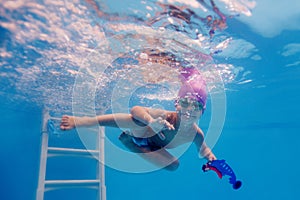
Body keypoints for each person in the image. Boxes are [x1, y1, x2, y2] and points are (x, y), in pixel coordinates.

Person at [60, 68, 216, 171]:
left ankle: (131, 145)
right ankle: (85, 121)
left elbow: (203, 148)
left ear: (202, 111)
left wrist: (210, 157)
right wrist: (150, 121)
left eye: (196, 106)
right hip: (142, 134)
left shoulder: (196, 134)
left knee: (174, 165)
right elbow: (135, 110)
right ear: (176, 105)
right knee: (138, 119)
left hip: (152, 150)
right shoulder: (166, 116)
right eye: (184, 103)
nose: (189, 109)